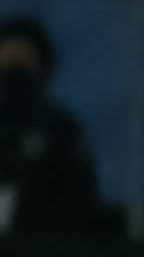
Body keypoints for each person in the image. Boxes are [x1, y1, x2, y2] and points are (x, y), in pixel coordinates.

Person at [0, 14, 102, 238]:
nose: (15, 65)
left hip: (44, 250)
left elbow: (81, 198)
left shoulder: (60, 128)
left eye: (24, 58)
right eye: (8, 58)